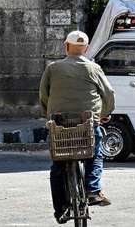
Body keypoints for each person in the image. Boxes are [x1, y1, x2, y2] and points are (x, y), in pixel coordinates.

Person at [39, 30, 115, 224]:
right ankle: (93, 190)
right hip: (88, 123)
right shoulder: (94, 68)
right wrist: (103, 115)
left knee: (57, 167)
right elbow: (109, 94)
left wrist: (49, 115)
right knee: (95, 155)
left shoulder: (53, 68)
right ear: (86, 49)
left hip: (59, 124)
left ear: (66, 46)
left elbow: (43, 96)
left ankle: (61, 210)